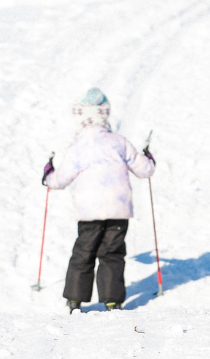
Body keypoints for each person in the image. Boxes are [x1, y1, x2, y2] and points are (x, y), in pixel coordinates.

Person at [42, 88, 155, 312]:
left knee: (84, 252)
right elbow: (145, 170)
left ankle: (75, 300)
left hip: (89, 210)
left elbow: (59, 180)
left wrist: (48, 173)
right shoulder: (119, 142)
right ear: (105, 115)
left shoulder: (78, 147)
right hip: (118, 207)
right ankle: (112, 301)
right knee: (112, 253)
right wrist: (148, 157)